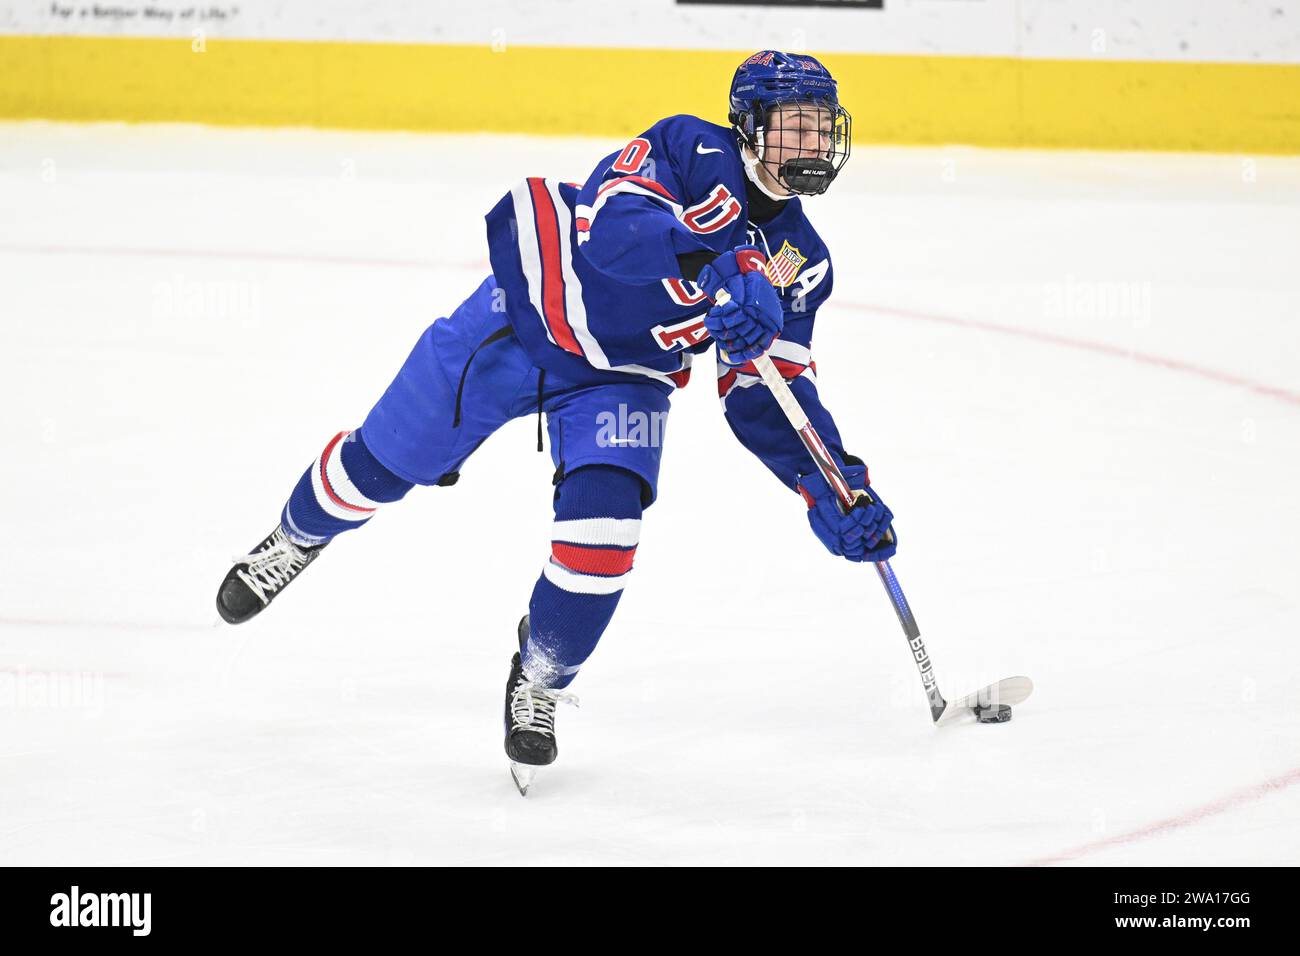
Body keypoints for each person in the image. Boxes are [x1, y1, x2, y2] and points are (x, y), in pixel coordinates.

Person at [214, 50, 897, 792]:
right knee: (377, 466)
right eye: (793, 127)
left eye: (821, 127)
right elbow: (614, 233)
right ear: (749, 125)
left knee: (605, 535)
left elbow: (769, 392)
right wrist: (718, 259)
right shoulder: (688, 148)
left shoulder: (804, 260)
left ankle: (539, 677)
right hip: (529, 315)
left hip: (622, 379)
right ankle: (296, 537)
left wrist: (829, 482)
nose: (811, 145)